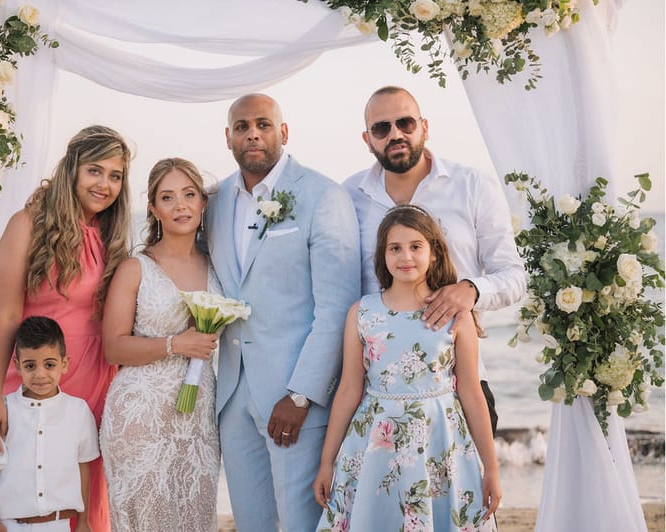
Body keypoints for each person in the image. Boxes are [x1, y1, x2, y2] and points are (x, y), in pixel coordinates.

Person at [205, 93, 361, 531]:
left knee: (301, 524)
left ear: (284, 132)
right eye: (242, 127)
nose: (253, 134)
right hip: (233, 399)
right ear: (228, 138)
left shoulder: (323, 196)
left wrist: (302, 394)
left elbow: (338, 309)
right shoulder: (214, 201)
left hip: (295, 402)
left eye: (263, 124)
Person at [343, 86, 525, 434]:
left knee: (472, 471)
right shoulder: (348, 197)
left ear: (424, 126)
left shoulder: (472, 186)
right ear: (367, 139)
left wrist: (470, 290)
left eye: (405, 123)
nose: (395, 134)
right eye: (381, 128)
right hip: (375, 389)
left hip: (459, 381)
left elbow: (514, 276)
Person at [0, 125, 133, 532]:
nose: (104, 184)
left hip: (97, 382)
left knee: (86, 495)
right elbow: (6, 319)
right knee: (28, 488)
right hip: (40, 376)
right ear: (72, 169)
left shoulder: (109, 234)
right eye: (94, 171)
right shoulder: (26, 225)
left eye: (115, 176)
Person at [313, 205, 501, 530]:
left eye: (416, 246)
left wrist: (492, 468)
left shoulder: (455, 315)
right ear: (383, 255)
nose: (406, 257)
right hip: (375, 445)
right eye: (395, 248)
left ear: (434, 253)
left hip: (440, 443)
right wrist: (327, 462)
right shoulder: (362, 312)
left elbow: (471, 394)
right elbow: (348, 390)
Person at [100, 157, 221, 531]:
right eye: (167, 197)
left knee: (195, 518)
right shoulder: (135, 268)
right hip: (141, 417)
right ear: (153, 208)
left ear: (203, 202)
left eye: (189, 195)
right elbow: (113, 347)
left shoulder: (219, 265)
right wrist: (176, 345)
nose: (180, 206)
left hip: (198, 416)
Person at [0, 316, 99, 532]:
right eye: (30, 366)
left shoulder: (78, 411)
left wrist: (83, 521)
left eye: (49, 365)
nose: (40, 374)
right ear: (17, 366)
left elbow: (83, 466)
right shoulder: (4, 411)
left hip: (59, 525)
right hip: (11, 526)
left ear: (64, 364)